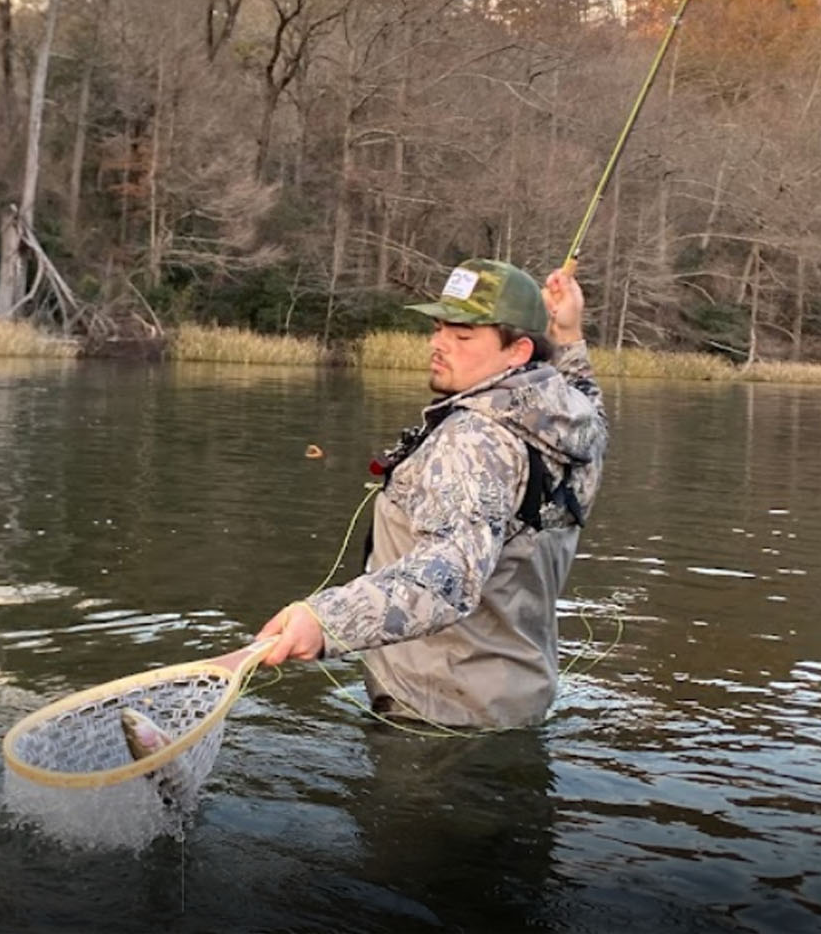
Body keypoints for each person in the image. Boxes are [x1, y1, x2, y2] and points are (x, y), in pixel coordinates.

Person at [256, 259, 607, 729]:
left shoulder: (474, 440)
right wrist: (568, 333)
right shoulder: (570, 421)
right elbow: (589, 402)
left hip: (436, 717)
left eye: (463, 337)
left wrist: (325, 622)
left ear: (518, 351)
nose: (438, 344)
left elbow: (452, 572)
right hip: (521, 703)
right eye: (440, 327)